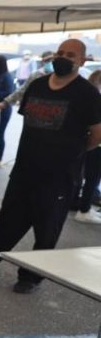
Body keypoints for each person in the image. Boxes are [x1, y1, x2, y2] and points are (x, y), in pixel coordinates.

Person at [0, 39, 101, 294]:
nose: (63, 57)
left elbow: (97, 133)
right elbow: (28, 122)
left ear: (83, 61)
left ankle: (30, 277)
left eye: (71, 55)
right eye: (60, 52)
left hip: (59, 176)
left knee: (46, 230)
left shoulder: (87, 93)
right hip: (25, 170)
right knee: (7, 222)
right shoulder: (38, 85)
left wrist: (74, 151)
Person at [73, 70, 101, 224]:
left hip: (86, 143)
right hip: (95, 145)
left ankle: (80, 205)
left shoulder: (88, 96)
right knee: (93, 178)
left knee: (83, 175)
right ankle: (84, 209)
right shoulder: (96, 98)